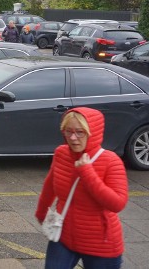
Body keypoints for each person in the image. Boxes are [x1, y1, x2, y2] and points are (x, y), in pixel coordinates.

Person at [35, 108, 127, 269]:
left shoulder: (110, 161)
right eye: (68, 131)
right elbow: (49, 187)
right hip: (63, 236)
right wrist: (42, 213)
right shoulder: (61, 153)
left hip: (101, 244)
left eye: (80, 132)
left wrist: (87, 172)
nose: (72, 138)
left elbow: (117, 204)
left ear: (93, 132)